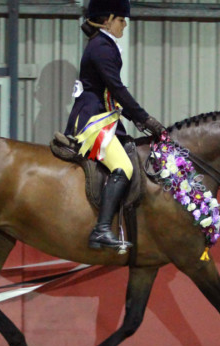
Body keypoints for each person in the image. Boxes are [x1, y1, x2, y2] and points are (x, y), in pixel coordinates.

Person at [64, 0, 166, 250]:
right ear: (108, 19)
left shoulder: (103, 44)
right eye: (121, 19)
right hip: (93, 118)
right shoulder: (101, 47)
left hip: (102, 116)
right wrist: (144, 118)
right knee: (123, 166)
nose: (125, 24)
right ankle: (100, 230)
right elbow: (117, 89)